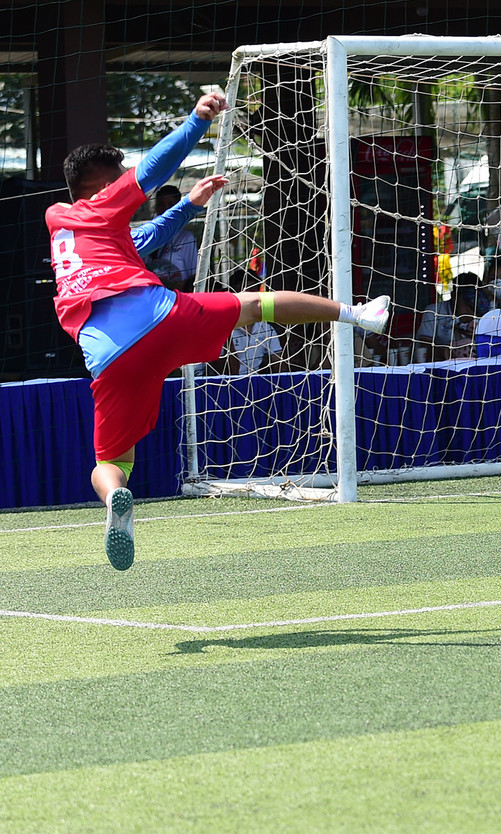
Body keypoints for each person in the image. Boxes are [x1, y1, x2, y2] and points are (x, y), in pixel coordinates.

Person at [46, 92, 391, 570]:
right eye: (119, 175)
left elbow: (144, 238)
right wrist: (196, 122)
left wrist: (189, 205)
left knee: (111, 460)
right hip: (155, 318)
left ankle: (114, 501)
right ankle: (357, 315)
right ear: (103, 185)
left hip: (106, 356)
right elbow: (152, 168)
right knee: (255, 304)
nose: (127, 182)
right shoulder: (101, 206)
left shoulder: (67, 228)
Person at [142, 184, 200, 292]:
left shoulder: (186, 238)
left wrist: (178, 286)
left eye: (170, 204)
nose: (165, 208)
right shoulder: (148, 235)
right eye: (161, 204)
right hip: (150, 292)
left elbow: (194, 275)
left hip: (177, 295)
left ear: (178, 205)